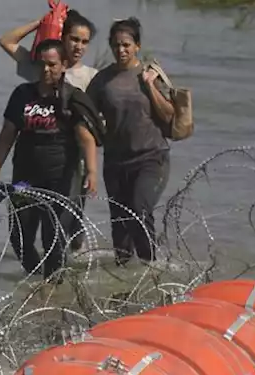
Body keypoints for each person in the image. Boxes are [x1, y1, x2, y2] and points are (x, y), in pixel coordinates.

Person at [0, 38, 100, 280]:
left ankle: (54, 287)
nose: (46, 70)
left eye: (52, 64)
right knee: (20, 236)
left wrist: (91, 172)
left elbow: (87, 138)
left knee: (53, 237)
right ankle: (38, 281)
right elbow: (7, 134)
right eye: (42, 64)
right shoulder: (22, 94)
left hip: (61, 179)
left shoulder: (72, 98)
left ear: (63, 65)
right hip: (25, 178)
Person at [86, 18, 173, 266]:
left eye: (126, 44)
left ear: (137, 46)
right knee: (120, 225)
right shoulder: (102, 80)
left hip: (151, 157)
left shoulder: (150, 75)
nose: (120, 50)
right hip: (115, 162)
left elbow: (169, 115)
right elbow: (85, 116)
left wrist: (150, 87)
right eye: (115, 45)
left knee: (140, 210)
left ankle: (151, 267)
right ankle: (124, 277)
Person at [0, 8, 99, 91]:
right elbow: (6, 41)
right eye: (74, 39)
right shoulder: (42, 67)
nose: (79, 47)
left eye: (84, 42)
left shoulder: (92, 77)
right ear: (62, 37)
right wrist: (41, 22)